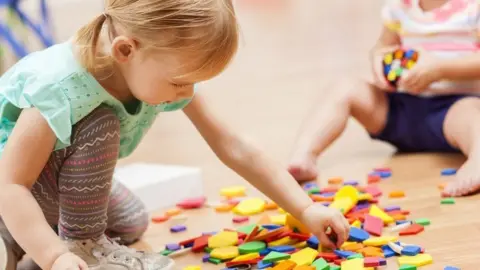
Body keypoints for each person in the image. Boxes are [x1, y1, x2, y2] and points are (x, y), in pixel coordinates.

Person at [0, 0, 349, 269]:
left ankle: (21, 237)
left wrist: (305, 209)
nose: (187, 92)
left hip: (45, 186)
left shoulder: (153, 68)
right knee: (100, 123)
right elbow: (11, 183)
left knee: (131, 221)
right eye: (180, 81)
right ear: (125, 50)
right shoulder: (60, 88)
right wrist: (53, 255)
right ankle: (71, 247)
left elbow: (234, 145)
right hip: (14, 183)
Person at [288, 0, 480, 197]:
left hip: (452, 112)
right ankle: (304, 156)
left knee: (472, 114)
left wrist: (441, 70)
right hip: (400, 110)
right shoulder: (401, 7)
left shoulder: (473, 9)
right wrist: (379, 61)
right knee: (345, 87)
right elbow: (383, 46)